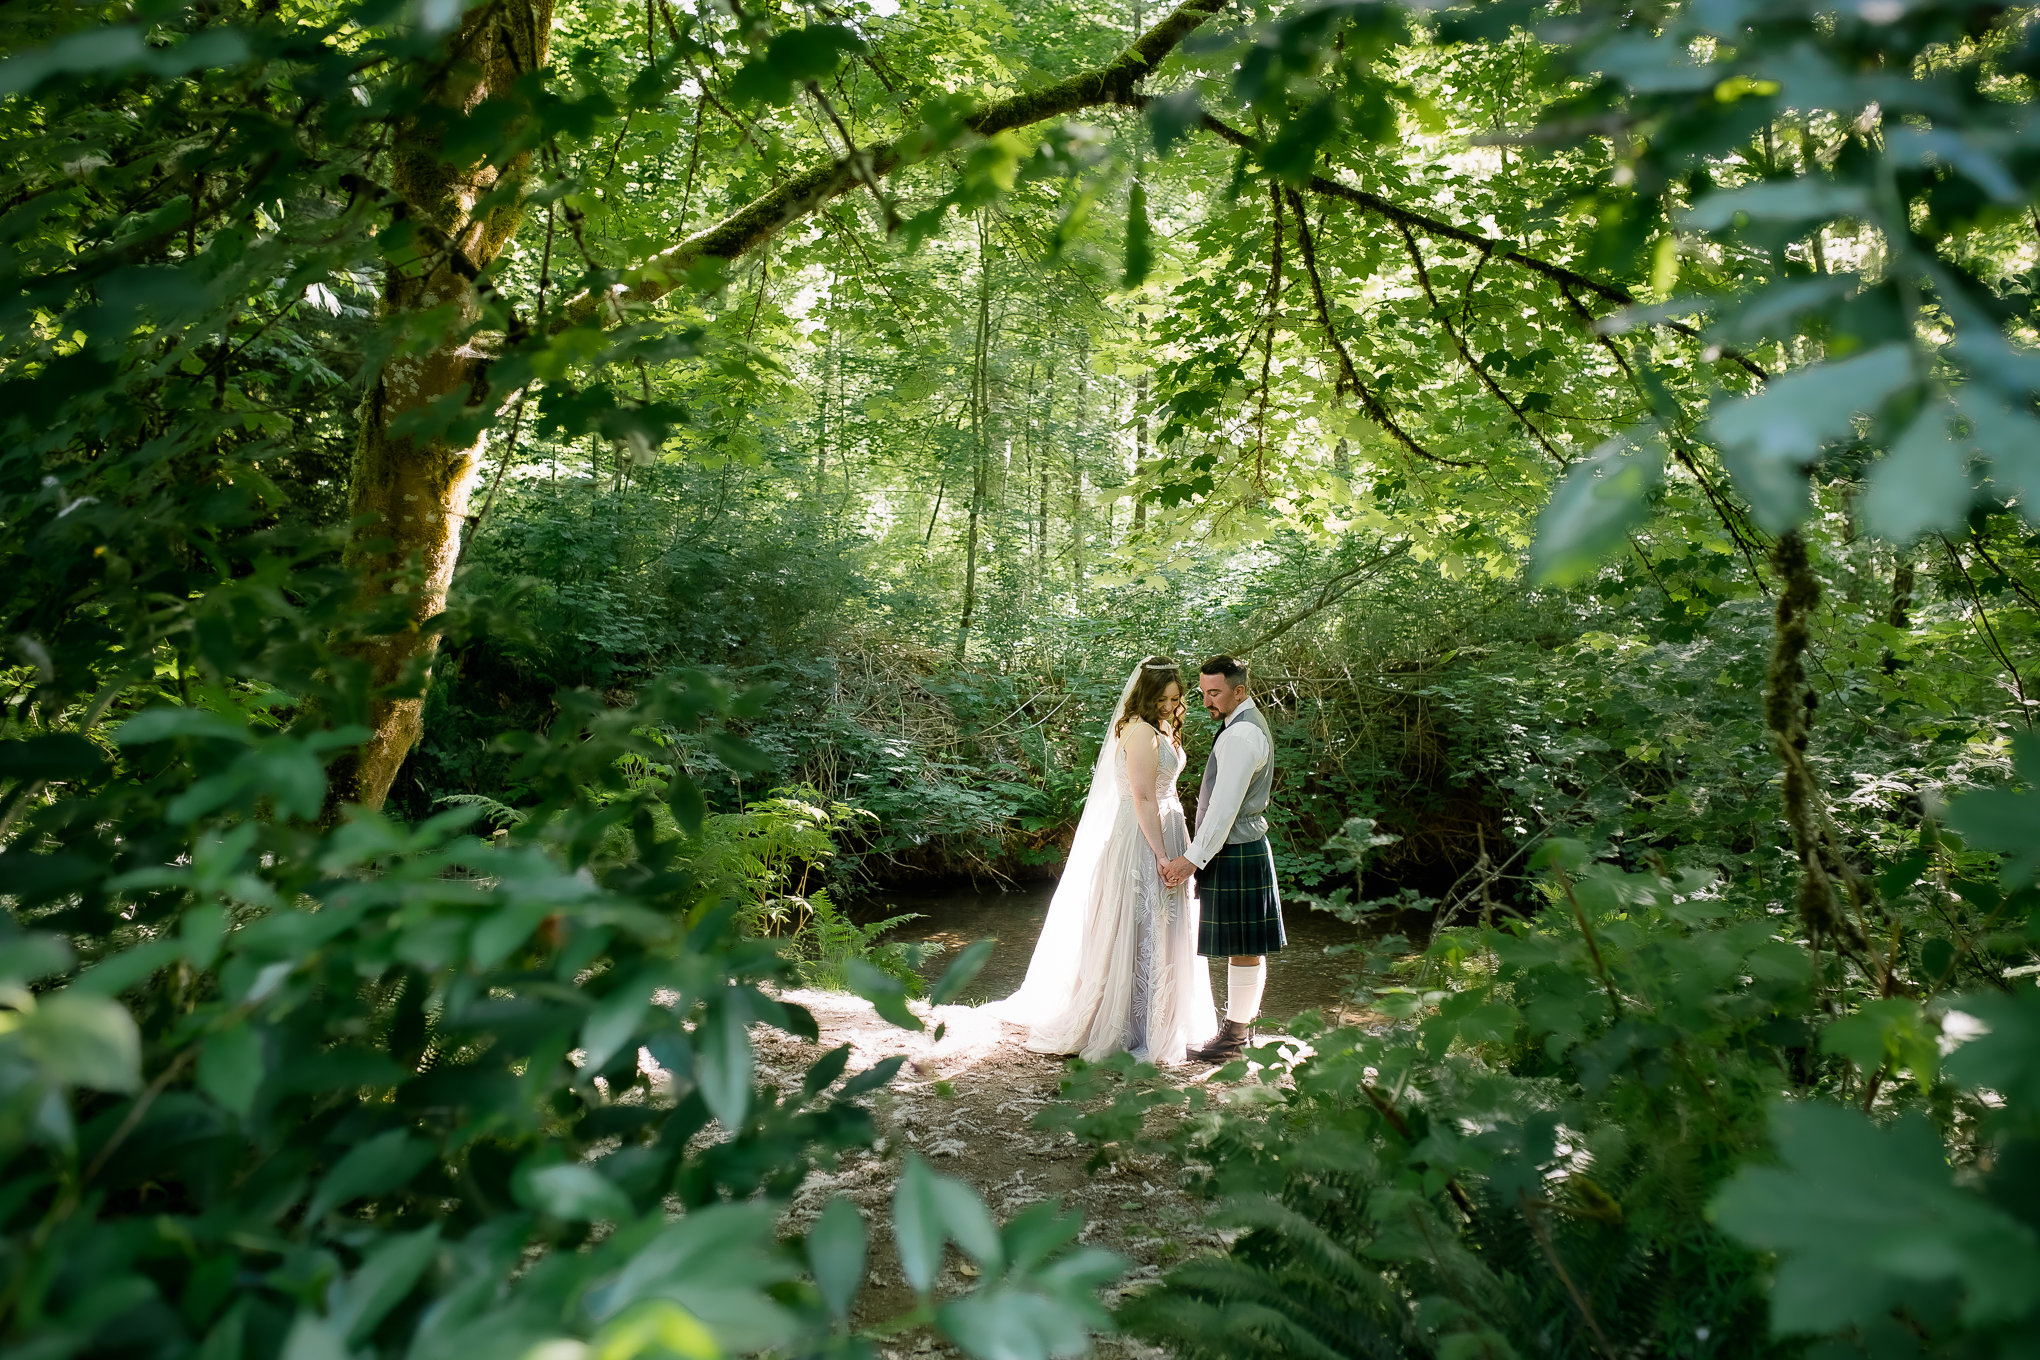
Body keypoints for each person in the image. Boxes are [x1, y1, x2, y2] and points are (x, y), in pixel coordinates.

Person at [982, 657, 1217, 1064]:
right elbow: (1142, 797)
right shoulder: (1141, 732)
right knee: (1138, 919)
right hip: (1144, 835)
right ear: (1145, 696)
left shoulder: (1162, 729)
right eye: (1161, 698)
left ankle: (1156, 1020)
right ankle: (1126, 1024)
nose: (1169, 705)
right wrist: (1163, 854)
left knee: (1161, 922)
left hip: (1170, 825)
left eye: (1175, 698)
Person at [1161, 655, 1285, 1064]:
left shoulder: (1240, 737)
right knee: (1245, 946)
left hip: (1236, 849)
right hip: (1239, 848)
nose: (1207, 700)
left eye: (1215, 693)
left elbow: (1224, 809)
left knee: (1244, 948)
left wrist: (1190, 860)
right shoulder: (1241, 727)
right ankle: (1238, 1033)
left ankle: (1235, 1037)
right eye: (1203, 692)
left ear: (1240, 691)